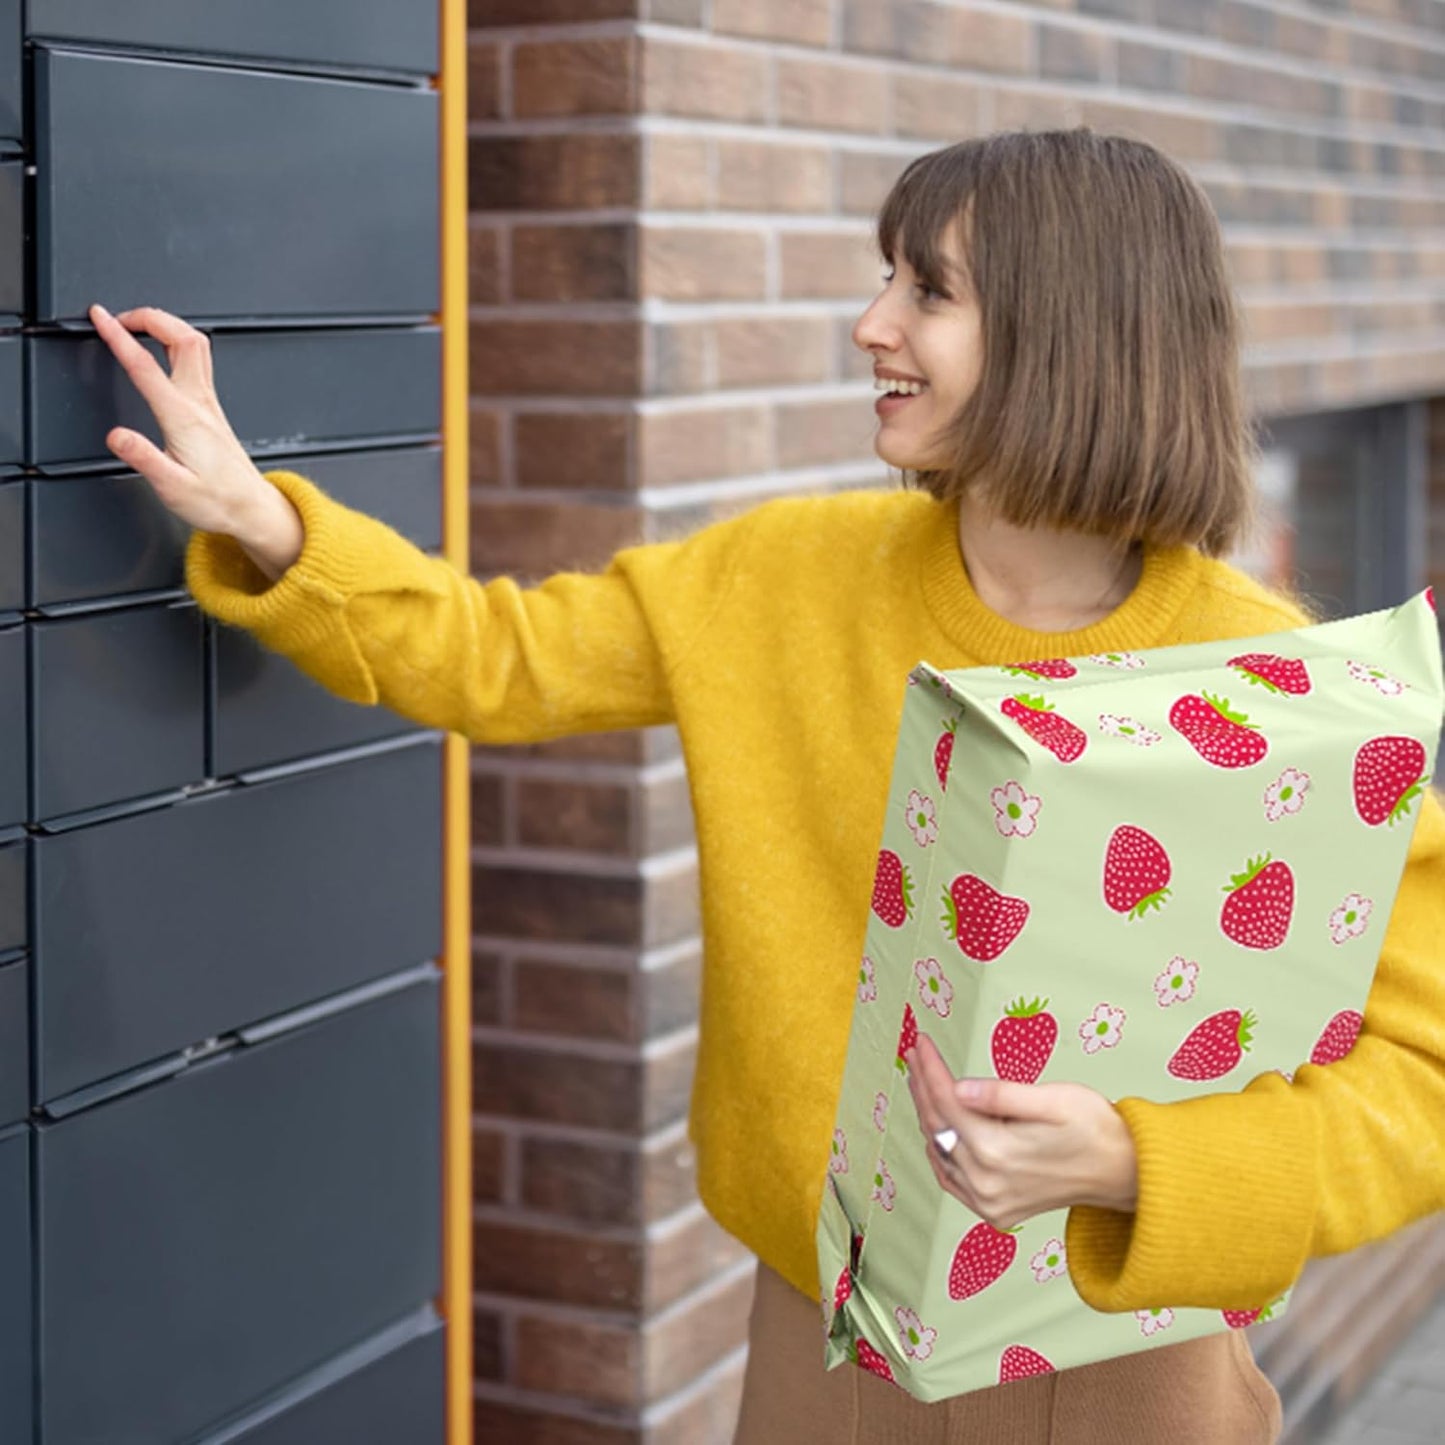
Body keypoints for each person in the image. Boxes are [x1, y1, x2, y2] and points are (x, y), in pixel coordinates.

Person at [88, 128, 1445, 1444]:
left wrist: (1135, 1164)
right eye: (882, 277)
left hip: (1127, 1363)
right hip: (821, 1341)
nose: (870, 323)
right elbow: (492, 656)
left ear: (1072, 331)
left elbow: (1423, 1079)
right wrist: (267, 517)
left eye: (927, 289)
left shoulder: (1271, 688)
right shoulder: (782, 576)